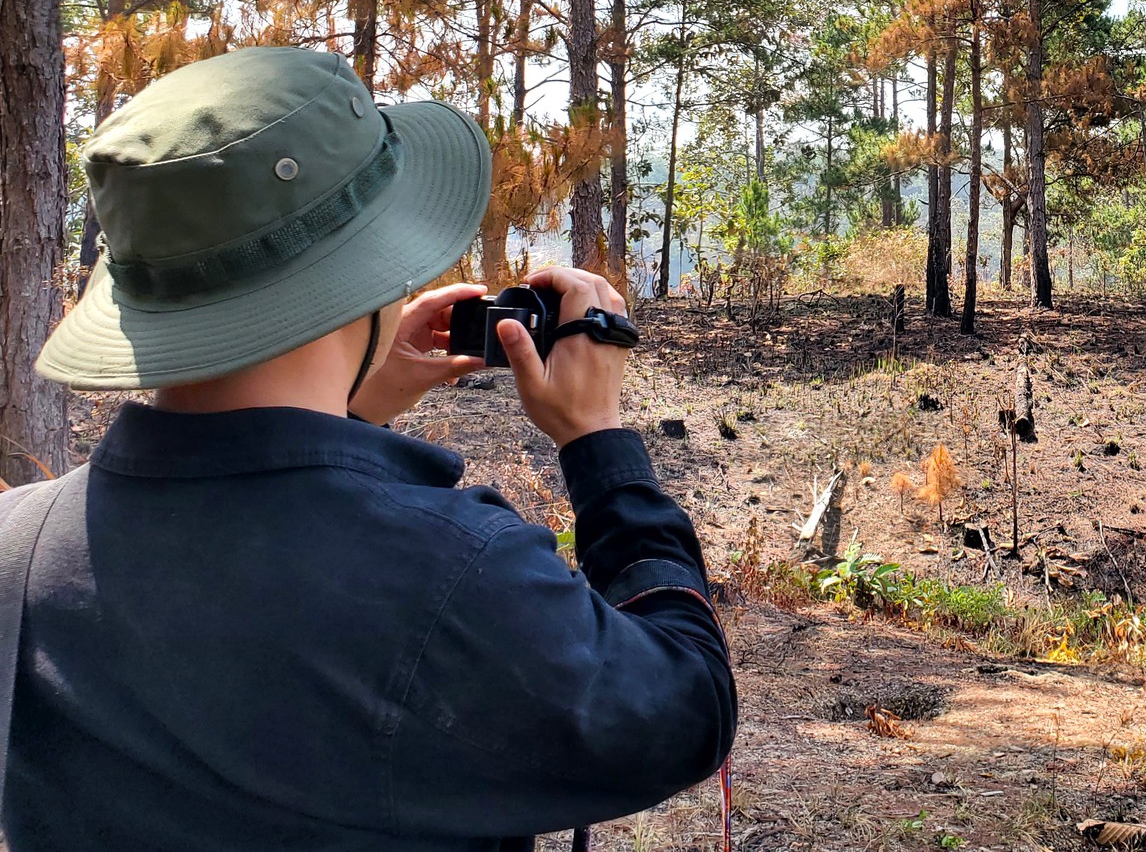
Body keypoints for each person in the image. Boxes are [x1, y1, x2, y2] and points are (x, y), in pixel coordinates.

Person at [4, 46, 734, 850]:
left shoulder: (18, 549)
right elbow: (684, 709)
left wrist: (350, 405)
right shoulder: (454, 576)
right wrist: (600, 441)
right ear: (371, 276)